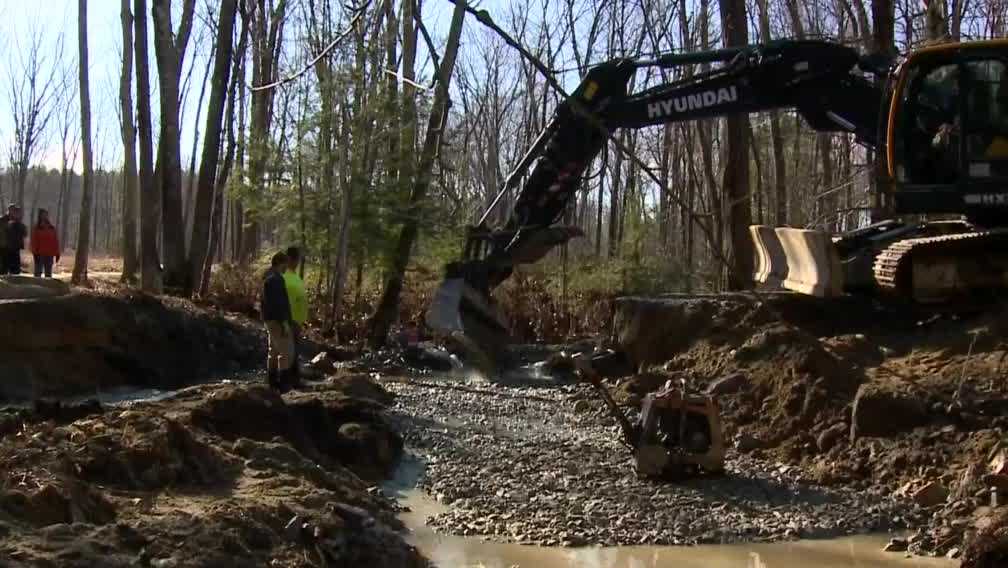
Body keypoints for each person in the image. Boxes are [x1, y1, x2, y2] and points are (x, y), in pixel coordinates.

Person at [262, 252, 294, 391]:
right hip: (277, 321)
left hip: (268, 319)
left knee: (273, 351)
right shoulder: (276, 279)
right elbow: (279, 303)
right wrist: (285, 322)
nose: (286, 267)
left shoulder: (266, 276)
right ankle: (284, 385)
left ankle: (271, 383)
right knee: (286, 352)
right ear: (280, 263)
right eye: (285, 264)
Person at [282, 246, 308, 386]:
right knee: (288, 352)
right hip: (288, 319)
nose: (297, 262)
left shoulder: (294, 276)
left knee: (294, 351)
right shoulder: (284, 276)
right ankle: (288, 381)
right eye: (296, 259)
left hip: (296, 321)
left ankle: (294, 379)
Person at [30, 209, 60, 278]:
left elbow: (55, 241)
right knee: (38, 273)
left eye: (46, 214)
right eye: (43, 214)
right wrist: (35, 253)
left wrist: (57, 253)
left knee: (48, 274)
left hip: (49, 255)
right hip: (39, 254)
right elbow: (34, 241)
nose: (45, 216)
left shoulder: (51, 228)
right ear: (40, 216)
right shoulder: (37, 228)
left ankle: (48, 287)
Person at [0, 205, 27, 275]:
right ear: (8, 210)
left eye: (14, 210)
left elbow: (24, 233)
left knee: (15, 269)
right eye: (11, 210)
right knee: (4, 267)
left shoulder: (18, 222)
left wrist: (18, 223)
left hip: (15, 247)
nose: (13, 212)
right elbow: (4, 231)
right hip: (4, 247)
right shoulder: (2, 220)